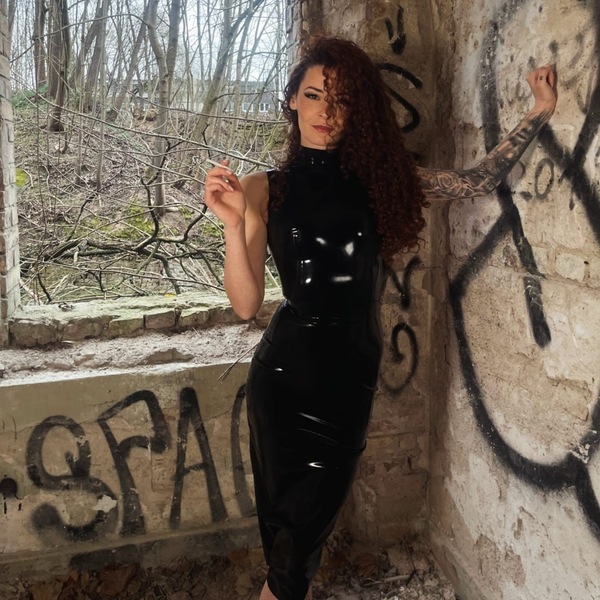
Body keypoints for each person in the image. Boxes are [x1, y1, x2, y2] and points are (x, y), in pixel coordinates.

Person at [204, 36, 557, 600]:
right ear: (291, 99)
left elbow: (477, 181)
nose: (325, 110)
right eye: (314, 95)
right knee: (284, 523)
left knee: (309, 518)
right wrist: (230, 224)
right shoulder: (260, 189)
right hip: (284, 372)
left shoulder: (381, 182)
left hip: (349, 372)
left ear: (357, 111)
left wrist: (540, 111)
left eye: (341, 100)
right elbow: (246, 304)